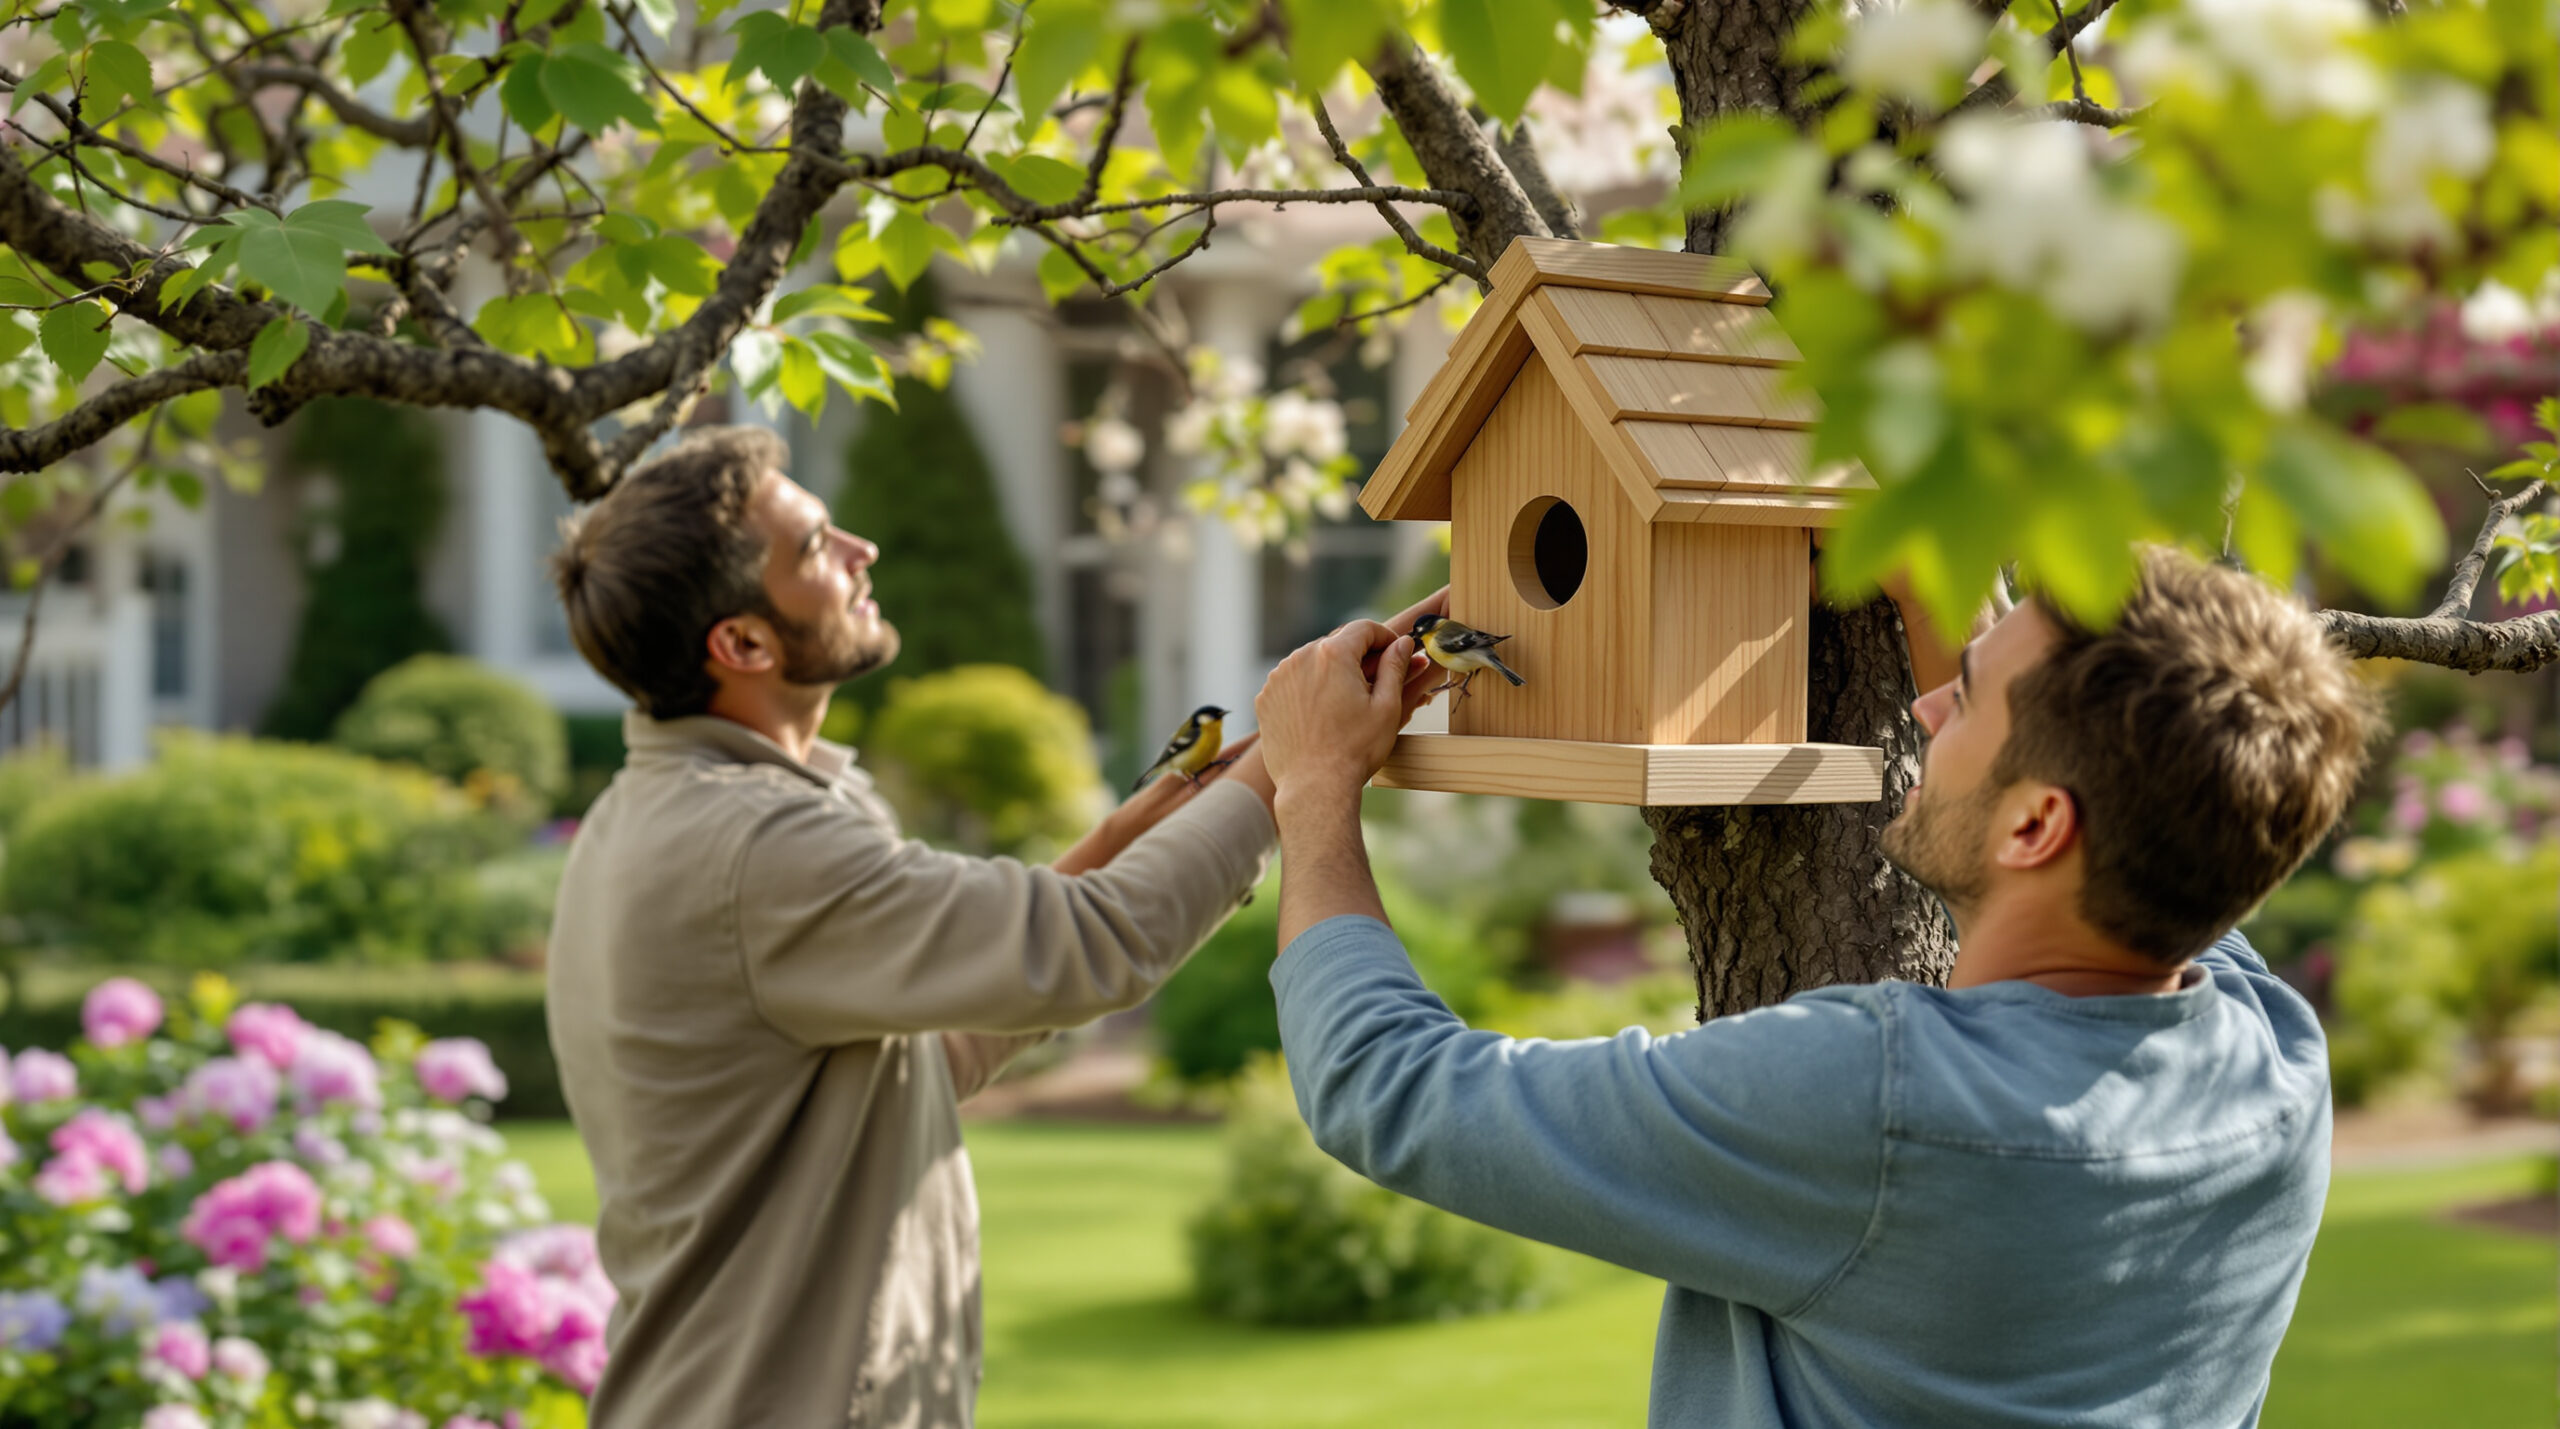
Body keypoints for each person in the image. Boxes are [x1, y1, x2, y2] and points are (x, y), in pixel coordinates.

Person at [1252, 546, 2375, 1428]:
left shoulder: (1875, 1103)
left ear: (2037, 823)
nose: (1925, 707)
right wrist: (1938, 606)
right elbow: (2159, 833)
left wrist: (1312, 785)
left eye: (1965, 698)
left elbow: (1388, 1090)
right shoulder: (2273, 1064)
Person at [543, 426, 1436, 1426]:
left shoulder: (676, 809)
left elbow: (932, 1053)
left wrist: (1129, 833)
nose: (859, 550)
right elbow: (1094, 944)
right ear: (742, 644)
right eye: (812, 545)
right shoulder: (753, 843)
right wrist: (1297, 759)